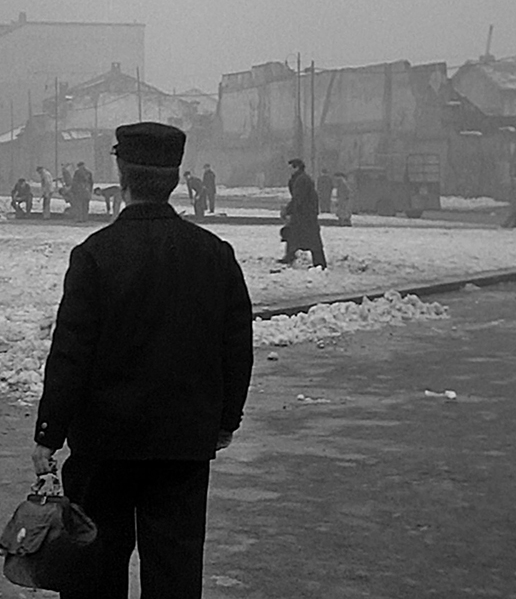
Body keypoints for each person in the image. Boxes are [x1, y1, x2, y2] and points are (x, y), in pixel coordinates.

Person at [32, 121, 254, 599]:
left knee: (96, 567)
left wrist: (49, 432)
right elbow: (236, 346)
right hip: (182, 445)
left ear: (121, 173)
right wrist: (225, 420)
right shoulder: (214, 254)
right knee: (175, 569)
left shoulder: (95, 255)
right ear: (175, 178)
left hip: (103, 446)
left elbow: (71, 352)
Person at [280, 158, 327, 269]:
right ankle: (290, 256)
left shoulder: (301, 180)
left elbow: (298, 198)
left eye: (291, 168)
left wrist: (288, 209)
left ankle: (319, 262)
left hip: (305, 214)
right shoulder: (300, 178)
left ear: (297, 167)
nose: (289, 171)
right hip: (304, 213)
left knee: (310, 239)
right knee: (296, 236)